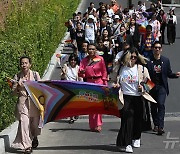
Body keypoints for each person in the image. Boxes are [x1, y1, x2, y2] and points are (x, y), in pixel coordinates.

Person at [114, 47, 156, 153]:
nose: (133, 59)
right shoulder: (120, 68)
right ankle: (126, 143)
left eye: (135, 57)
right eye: (131, 57)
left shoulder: (141, 69)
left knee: (137, 119)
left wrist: (142, 88)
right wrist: (115, 85)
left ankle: (136, 137)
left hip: (138, 97)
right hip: (124, 97)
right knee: (128, 119)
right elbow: (111, 80)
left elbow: (150, 84)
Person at [146, 41, 180, 135]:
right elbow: (145, 76)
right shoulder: (148, 61)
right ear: (153, 49)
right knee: (153, 107)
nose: (157, 49)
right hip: (151, 87)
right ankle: (156, 124)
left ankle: (160, 126)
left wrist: (175, 75)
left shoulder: (165, 60)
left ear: (161, 49)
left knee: (161, 104)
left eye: (159, 48)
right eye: (155, 47)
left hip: (162, 87)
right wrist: (146, 89)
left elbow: (168, 73)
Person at [11, 56, 41, 153]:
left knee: (34, 125)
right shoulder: (17, 76)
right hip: (23, 105)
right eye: (22, 63)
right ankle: (27, 146)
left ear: (30, 64)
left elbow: (41, 89)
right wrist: (17, 86)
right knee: (24, 124)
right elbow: (13, 93)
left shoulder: (35, 75)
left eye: (26, 63)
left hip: (34, 104)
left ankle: (35, 137)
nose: (24, 65)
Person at [78, 43, 108, 132]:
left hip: (99, 81)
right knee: (91, 104)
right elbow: (80, 73)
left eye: (93, 49)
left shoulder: (100, 59)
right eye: (89, 49)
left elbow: (104, 71)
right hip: (89, 82)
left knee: (98, 104)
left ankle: (98, 124)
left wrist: (105, 83)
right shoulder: (84, 61)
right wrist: (82, 72)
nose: (91, 51)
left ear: (95, 50)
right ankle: (92, 124)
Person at [61, 54, 83, 124]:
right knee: (70, 103)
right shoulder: (66, 67)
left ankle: (76, 113)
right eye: (71, 60)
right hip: (68, 86)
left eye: (74, 60)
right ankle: (71, 117)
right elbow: (62, 77)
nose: (73, 61)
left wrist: (80, 81)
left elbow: (80, 78)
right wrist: (64, 73)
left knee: (76, 103)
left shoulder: (78, 68)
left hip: (76, 86)